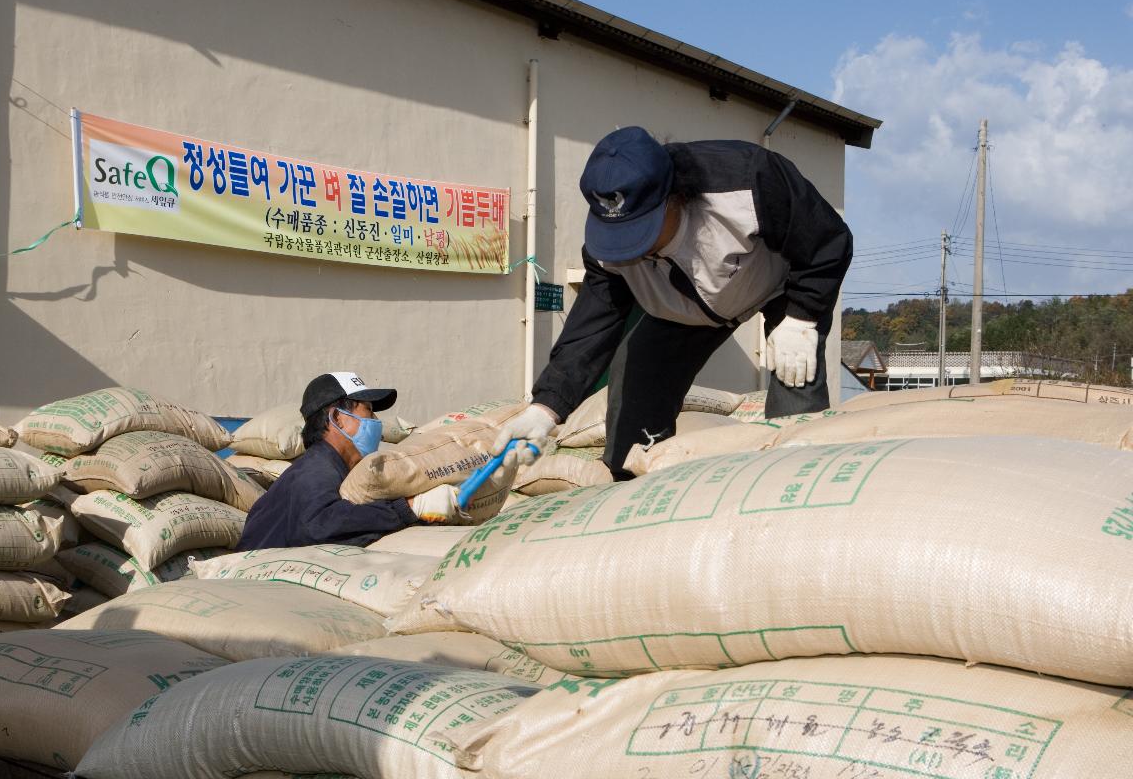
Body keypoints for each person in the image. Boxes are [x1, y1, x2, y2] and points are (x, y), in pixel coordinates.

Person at [496, 126, 854, 479]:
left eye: (641, 231)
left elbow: (828, 242)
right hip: (677, 310)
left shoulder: (749, 179)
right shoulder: (606, 255)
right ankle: (631, 489)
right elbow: (590, 328)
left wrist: (803, 315)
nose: (632, 249)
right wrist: (546, 408)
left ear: (675, 196)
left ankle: (797, 483)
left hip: (782, 291)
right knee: (633, 389)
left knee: (796, 387)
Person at [237, 372, 464, 549]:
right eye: (368, 411)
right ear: (337, 418)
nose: (376, 422)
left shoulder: (337, 469)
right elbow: (320, 526)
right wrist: (411, 508)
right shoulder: (315, 469)